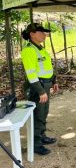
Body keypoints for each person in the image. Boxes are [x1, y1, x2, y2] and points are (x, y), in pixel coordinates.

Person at [21, 23, 59, 155]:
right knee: (37, 115)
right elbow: (31, 74)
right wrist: (41, 91)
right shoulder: (28, 50)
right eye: (41, 32)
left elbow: (47, 67)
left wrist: (53, 81)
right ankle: (36, 144)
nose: (44, 35)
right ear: (32, 34)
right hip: (37, 87)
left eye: (45, 33)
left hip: (46, 84)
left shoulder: (40, 49)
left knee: (44, 112)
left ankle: (41, 136)